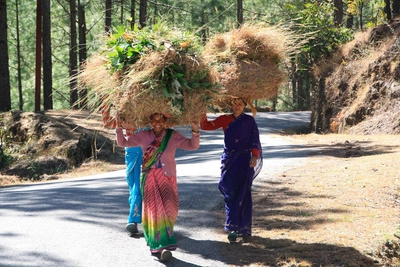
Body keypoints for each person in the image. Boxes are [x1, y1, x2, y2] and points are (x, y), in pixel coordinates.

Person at [115, 113, 200, 262]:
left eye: (160, 120)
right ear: (150, 121)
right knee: (154, 213)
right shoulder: (144, 135)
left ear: (165, 121)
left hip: (168, 179)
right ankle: (160, 247)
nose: (157, 123)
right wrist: (118, 128)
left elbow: (193, 145)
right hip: (150, 179)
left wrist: (195, 130)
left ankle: (163, 243)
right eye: (154, 120)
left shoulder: (172, 136)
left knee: (170, 211)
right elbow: (123, 143)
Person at [200, 97, 262, 242]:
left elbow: (255, 140)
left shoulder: (249, 121)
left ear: (244, 106)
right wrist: (201, 108)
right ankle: (232, 227)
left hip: (245, 161)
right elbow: (205, 125)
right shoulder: (224, 119)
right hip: (229, 161)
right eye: (234, 104)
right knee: (230, 192)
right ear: (231, 105)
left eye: (240, 104)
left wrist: (254, 157)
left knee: (244, 193)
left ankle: (244, 228)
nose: (237, 106)